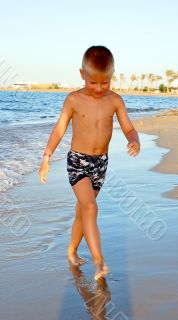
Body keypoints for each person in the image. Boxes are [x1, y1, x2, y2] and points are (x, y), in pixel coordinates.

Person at [38, 45, 141, 280]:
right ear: (82, 74)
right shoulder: (74, 99)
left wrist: (134, 140)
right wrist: (46, 157)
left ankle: (72, 251)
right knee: (91, 208)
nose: (98, 88)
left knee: (82, 210)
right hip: (78, 162)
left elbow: (128, 127)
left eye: (104, 82)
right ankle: (98, 261)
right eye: (93, 82)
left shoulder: (115, 101)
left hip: (100, 164)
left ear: (112, 76)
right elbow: (60, 128)